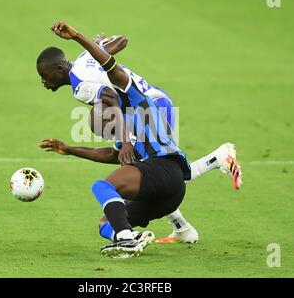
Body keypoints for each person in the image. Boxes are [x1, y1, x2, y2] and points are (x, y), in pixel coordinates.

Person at [36, 22, 242, 246]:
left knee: (154, 167)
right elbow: (121, 41)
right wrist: (71, 149)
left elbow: (110, 94)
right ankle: (180, 227)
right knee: (145, 171)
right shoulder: (85, 57)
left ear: (58, 69)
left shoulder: (81, 87)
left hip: (146, 105)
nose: (43, 81)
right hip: (152, 100)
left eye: (44, 75)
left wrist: (124, 141)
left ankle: (217, 158)